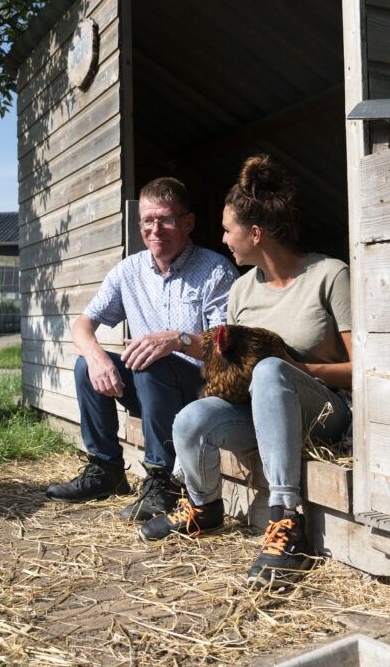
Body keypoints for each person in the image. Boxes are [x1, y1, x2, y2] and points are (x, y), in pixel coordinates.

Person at [139, 155, 353, 589]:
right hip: (264, 413)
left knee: (272, 370)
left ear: (254, 234)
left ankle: (286, 520)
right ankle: (203, 508)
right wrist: (194, 347)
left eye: (227, 229)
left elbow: (363, 368)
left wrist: (298, 369)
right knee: (193, 418)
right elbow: (225, 359)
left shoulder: (329, 275)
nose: (222, 239)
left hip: (324, 412)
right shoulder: (241, 289)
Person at [46, 177, 238, 522]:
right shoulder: (129, 271)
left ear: (188, 222)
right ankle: (106, 470)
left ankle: (162, 481)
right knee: (85, 366)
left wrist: (176, 340)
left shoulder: (215, 271)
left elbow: (226, 350)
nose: (155, 229)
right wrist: (96, 357)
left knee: (150, 360)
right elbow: (82, 325)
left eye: (165, 219)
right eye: (147, 220)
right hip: (151, 391)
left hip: (201, 392)